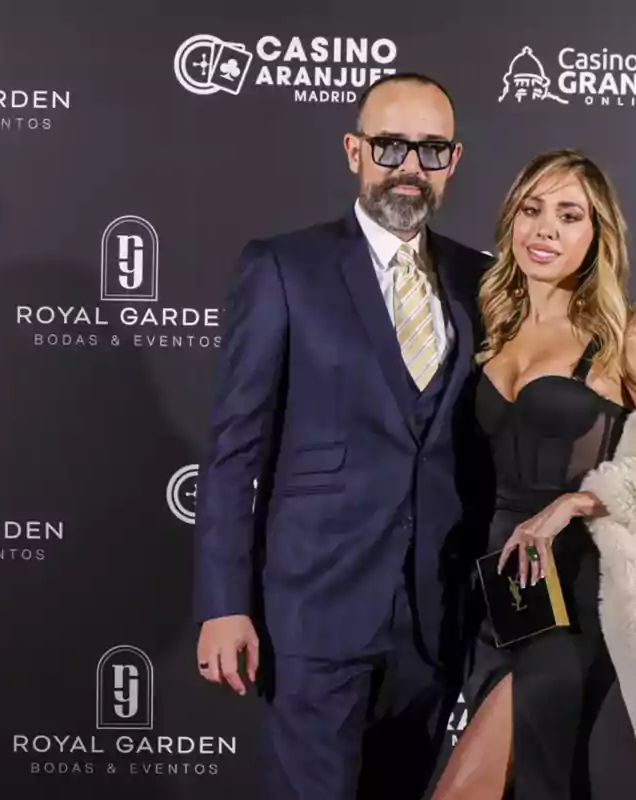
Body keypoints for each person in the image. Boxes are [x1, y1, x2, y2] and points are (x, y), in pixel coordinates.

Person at [192, 73, 493, 800]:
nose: (409, 168)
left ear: (453, 162)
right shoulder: (284, 268)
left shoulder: (479, 281)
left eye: (430, 150)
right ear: (355, 152)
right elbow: (234, 449)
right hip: (314, 612)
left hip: (436, 619)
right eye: (390, 146)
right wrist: (223, 603)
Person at [430, 150, 636, 799]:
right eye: (533, 211)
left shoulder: (626, 337)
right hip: (495, 583)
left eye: (569, 216)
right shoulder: (491, 325)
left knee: (484, 783)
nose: (546, 230)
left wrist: (575, 505)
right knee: (539, 782)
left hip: (573, 585)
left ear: (597, 236)